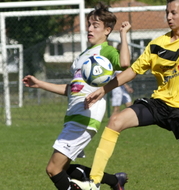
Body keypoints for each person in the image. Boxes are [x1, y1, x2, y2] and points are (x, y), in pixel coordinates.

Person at [76, 0, 179, 189]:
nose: (168, 17)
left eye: (173, 13)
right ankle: (94, 181)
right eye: (166, 12)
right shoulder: (156, 45)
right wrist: (103, 89)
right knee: (115, 121)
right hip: (159, 104)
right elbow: (132, 71)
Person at [22, 2, 131, 190]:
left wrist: (123, 35)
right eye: (89, 24)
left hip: (85, 116)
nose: (89, 28)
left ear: (107, 30)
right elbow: (70, 89)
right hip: (73, 116)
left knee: (53, 169)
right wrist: (39, 84)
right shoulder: (82, 56)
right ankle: (115, 181)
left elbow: (125, 63)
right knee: (63, 168)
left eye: (95, 26)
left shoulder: (106, 51)